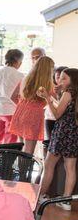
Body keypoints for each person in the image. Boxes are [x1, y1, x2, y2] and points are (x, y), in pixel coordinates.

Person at [38, 68, 78, 211]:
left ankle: (41, 195)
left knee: (49, 165)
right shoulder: (73, 94)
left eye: (64, 79)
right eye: (60, 78)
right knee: (70, 168)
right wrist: (54, 96)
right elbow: (66, 109)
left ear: (72, 80)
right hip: (74, 134)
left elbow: (57, 114)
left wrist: (47, 98)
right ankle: (66, 200)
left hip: (62, 133)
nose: (60, 81)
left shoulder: (68, 93)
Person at [9, 56, 55, 156]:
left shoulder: (25, 79)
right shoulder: (47, 84)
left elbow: (13, 96)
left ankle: (21, 170)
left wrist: (24, 106)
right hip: (34, 115)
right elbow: (56, 98)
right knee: (29, 150)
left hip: (20, 112)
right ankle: (24, 171)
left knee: (22, 147)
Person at [0, 49, 24, 145]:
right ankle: (7, 159)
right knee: (10, 141)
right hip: (11, 111)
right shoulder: (20, 75)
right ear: (18, 62)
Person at [44, 66, 67, 158]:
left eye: (63, 78)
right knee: (51, 145)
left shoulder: (68, 91)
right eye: (57, 77)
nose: (60, 80)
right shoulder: (51, 88)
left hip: (63, 121)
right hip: (50, 118)